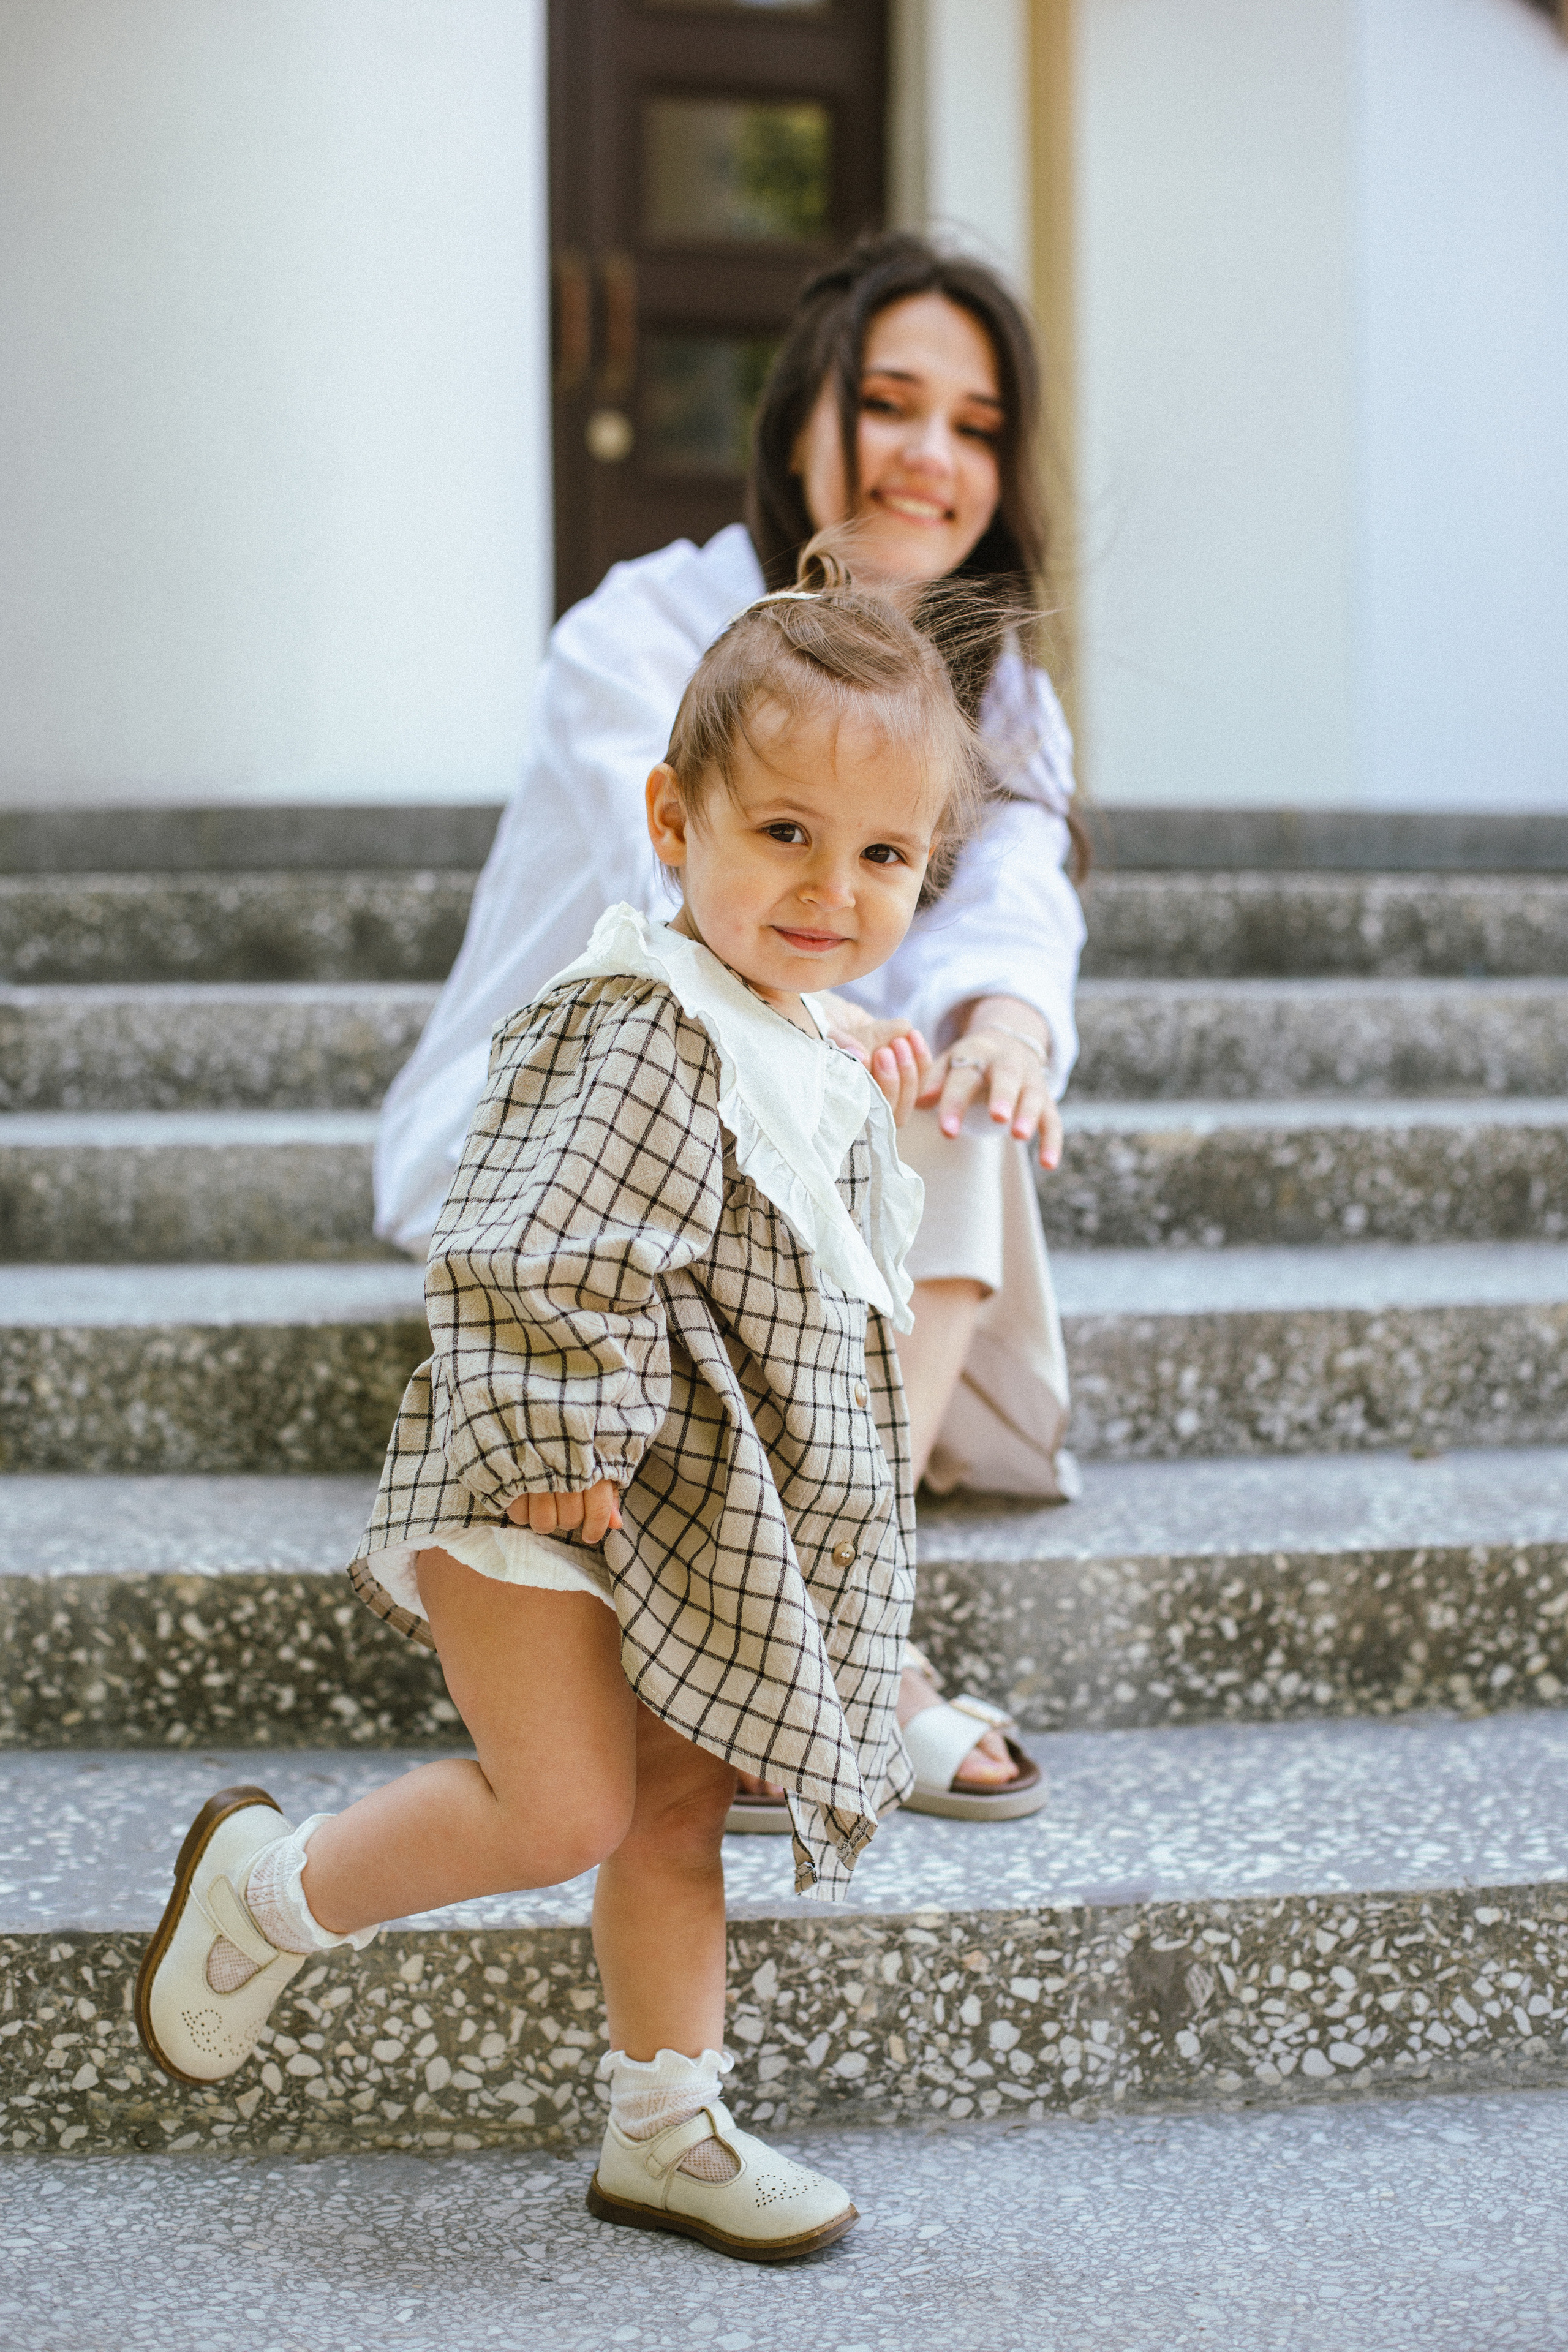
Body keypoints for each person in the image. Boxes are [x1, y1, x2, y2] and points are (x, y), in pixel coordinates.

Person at [137, 556, 1014, 2261]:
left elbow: (809, 1266)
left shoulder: (795, 1029)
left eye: (885, 856)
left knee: (682, 1811)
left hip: (681, 1510)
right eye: (785, 836)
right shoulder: (638, 1024)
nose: (832, 890)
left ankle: (666, 2125)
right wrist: (562, 1443)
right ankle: (267, 1893)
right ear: (672, 821)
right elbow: (529, 1247)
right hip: (547, 1493)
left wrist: (867, 1090)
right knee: (565, 1810)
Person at [375, 232, 1085, 1821]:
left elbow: (1015, 902)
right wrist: (888, 1043)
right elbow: (722, 933)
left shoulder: (995, 686)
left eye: (975, 427)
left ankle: (832, 1624)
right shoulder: (640, 631)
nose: (932, 455)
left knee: (960, 1099)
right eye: (893, 402)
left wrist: (1007, 1030)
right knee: (877, 1085)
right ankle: (847, 1651)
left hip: (796, 1153)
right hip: (584, 1143)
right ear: (799, 421)